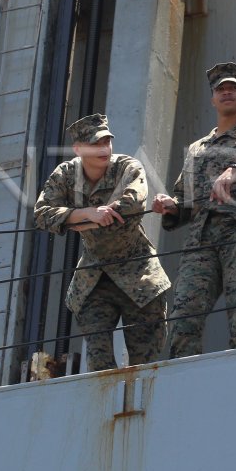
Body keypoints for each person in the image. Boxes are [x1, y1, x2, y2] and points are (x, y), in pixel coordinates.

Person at [152, 62, 236, 357]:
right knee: (183, 317)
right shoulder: (197, 149)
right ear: (213, 99)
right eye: (221, 89)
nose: (227, 93)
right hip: (200, 243)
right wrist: (170, 208)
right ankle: (183, 384)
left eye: (233, 88)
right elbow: (185, 201)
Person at [34, 113, 169, 371]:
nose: (104, 149)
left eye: (106, 142)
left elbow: (132, 203)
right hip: (95, 277)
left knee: (146, 364)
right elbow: (42, 214)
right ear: (78, 149)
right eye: (95, 144)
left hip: (139, 275)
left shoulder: (127, 167)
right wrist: (87, 214)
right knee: (99, 364)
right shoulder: (65, 174)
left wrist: (76, 221)